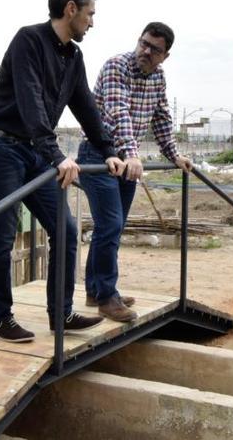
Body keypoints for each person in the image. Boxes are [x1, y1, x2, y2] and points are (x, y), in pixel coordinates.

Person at [0, 0, 125, 343]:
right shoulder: (28, 39)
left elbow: (86, 109)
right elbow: (30, 102)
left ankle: (62, 314)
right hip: (3, 148)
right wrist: (57, 155)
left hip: (35, 153)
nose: (92, 22)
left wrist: (108, 150)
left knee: (66, 230)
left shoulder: (73, 57)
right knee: (2, 236)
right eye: (90, 14)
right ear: (70, 9)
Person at [78, 22, 193, 322]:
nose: (145, 51)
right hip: (99, 155)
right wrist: (131, 153)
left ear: (165, 56)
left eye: (154, 49)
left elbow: (161, 117)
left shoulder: (158, 78)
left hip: (126, 162)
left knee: (111, 227)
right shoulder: (118, 66)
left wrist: (174, 154)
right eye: (143, 43)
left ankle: (96, 289)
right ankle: (106, 297)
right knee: (111, 225)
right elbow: (119, 113)